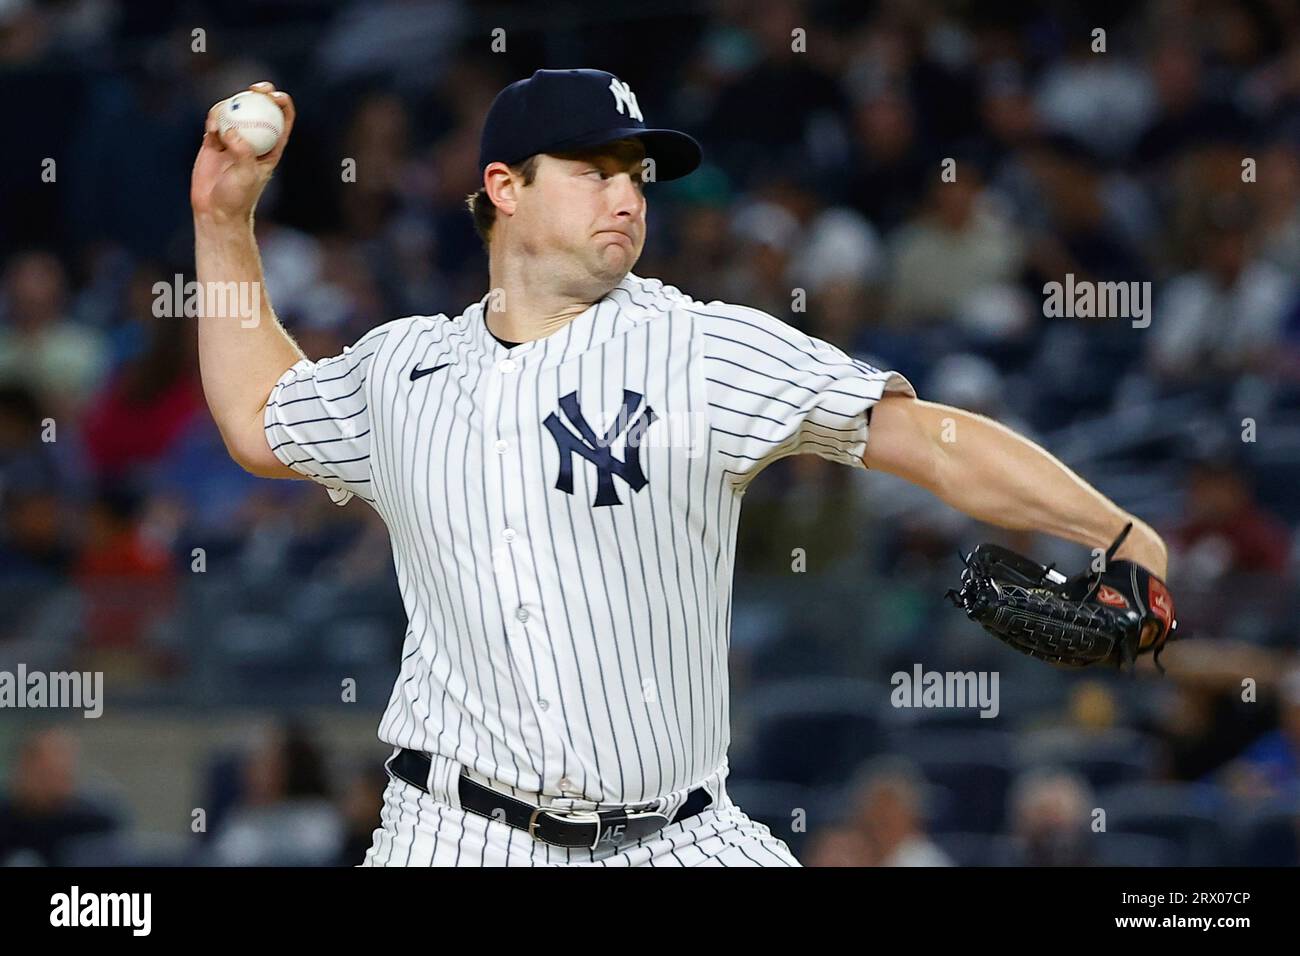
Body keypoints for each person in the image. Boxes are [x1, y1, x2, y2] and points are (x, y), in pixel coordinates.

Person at [191, 69, 1169, 866]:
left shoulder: (704, 349)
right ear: (504, 187)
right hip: (453, 832)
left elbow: (922, 436)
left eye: (637, 173)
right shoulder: (403, 367)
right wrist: (223, 223)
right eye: (592, 168)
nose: (626, 193)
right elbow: (255, 417)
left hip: (681, 834)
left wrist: (1118, 532)